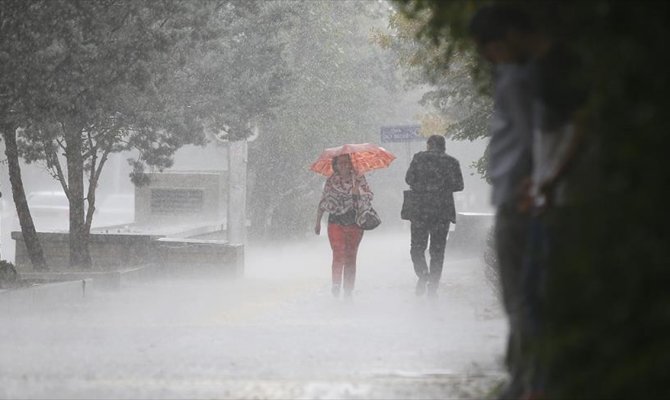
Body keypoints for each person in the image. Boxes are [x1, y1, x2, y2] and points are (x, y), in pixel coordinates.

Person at [469, 5, 537, 399]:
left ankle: (528, 380)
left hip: (521, 197)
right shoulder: (521, 75)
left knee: (522, 294)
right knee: (521, 294)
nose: (485, 57)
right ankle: (525, 376)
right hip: (517, 195)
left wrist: (537, 184)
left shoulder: (520, 79)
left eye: (486, 47)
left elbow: (533, 137)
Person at [404, 135, 463, 298]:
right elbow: (459, 185)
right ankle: (433, 287)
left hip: (420, 211)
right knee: (438, 251)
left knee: (417, 248)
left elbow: (408, 179)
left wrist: (423, 185)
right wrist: (441, 186)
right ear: (443, 146)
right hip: (442, 212)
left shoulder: (419, 158)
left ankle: (423, 274)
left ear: (429, 145)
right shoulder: (452, 162)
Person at [314, 154, 373, 299]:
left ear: (351, 164)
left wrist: (357, 192)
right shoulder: (331, 181)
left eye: (347, 163)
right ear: (335, 165)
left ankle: (348, 289)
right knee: (338, 252)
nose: (344, 165)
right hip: (335, 221)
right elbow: (324, 201)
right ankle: (336, 283)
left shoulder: (358, 179)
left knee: (351, 256)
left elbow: (369, 197)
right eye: (340, 163)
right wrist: (317, 222)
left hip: (354, 222)